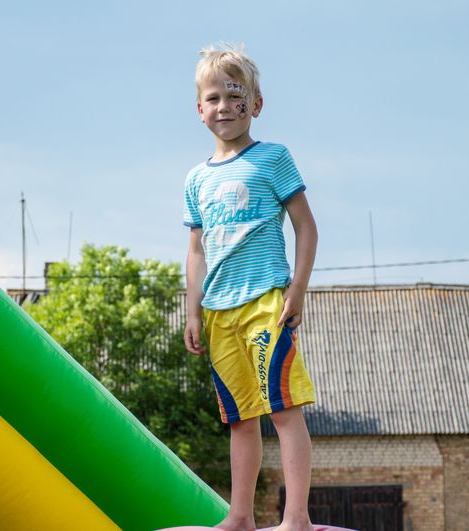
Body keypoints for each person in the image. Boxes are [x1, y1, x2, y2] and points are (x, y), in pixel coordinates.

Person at [183, 43, 318, 531]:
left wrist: (297, 289)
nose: (224, 106)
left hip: (265, 303)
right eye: (213, 98)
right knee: (239, 418)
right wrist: (194, 311)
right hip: (220, 313)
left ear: (255, 105)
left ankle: (297, 517)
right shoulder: (196, 180)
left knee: (282, 409)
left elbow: (306, 227)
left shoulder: (272, 159)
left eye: (234, 96)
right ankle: (239, 515)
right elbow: (196, 251)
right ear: (200, 109)